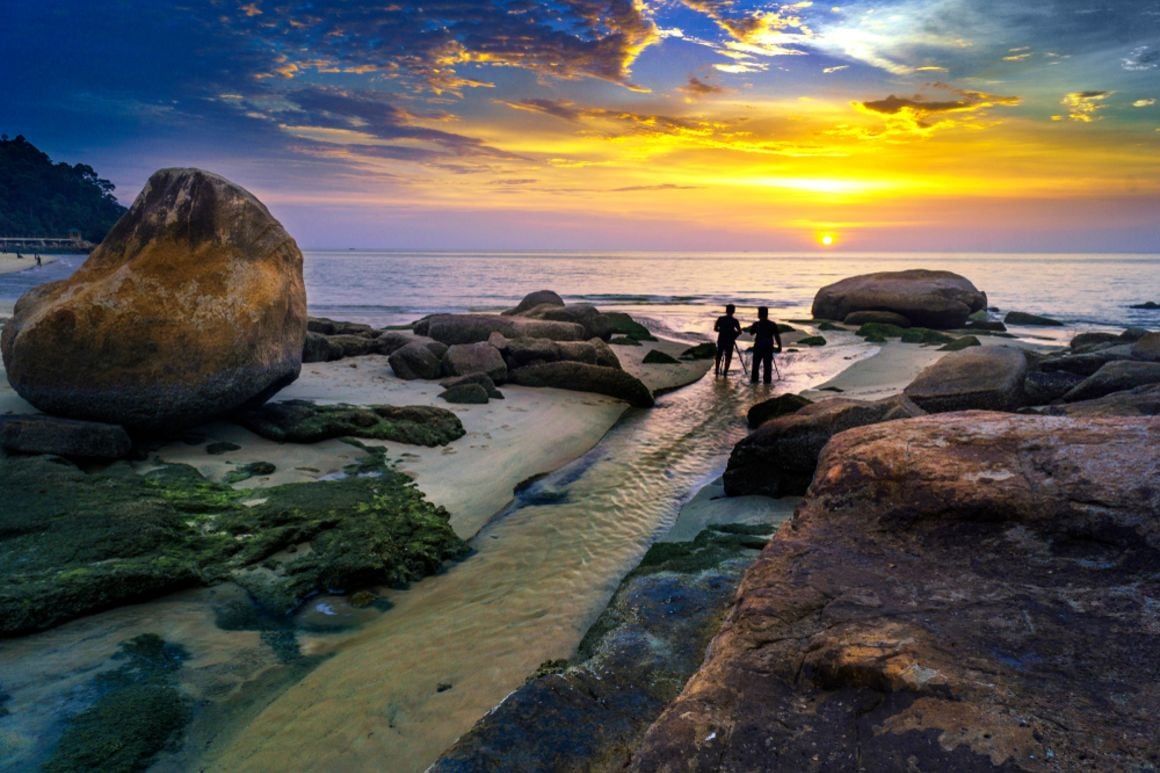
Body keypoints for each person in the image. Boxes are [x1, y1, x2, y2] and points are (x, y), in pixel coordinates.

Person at [745, 306, 783, 384]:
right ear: (767, 314)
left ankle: (754, 383)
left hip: (758, 346)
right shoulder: (772, 324)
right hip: (768, 347)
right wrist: (779, 346)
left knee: (755, 366)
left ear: (759, 314)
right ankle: (767, 384)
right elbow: (776, 336)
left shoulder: (756, 324)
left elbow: (751, 333)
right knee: (767, 366)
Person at [713, 303, 742, 376]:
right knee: (728, 356)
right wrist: (734, 335)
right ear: (733, 311)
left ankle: (716, 370)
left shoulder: (721, 319)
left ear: (726, 310)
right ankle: (725, 372)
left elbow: (715, 329)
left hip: (721, 339)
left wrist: (722, 330)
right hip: (730, 340)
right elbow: (739, 331)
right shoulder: (735, 321)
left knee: (719, 355)